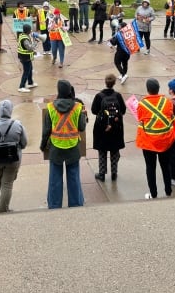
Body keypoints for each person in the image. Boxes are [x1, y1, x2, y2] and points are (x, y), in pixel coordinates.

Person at [40, 79, 86, 208]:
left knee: (55, 179)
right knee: (74, 178)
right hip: (73, 147)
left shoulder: (50, 107)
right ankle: (76, 204)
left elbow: (46, 130)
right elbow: (81, 127)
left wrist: (43, 145)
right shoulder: (77, 107)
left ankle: (54, 205)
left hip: (56, 147)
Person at [136, 78, 175, 200]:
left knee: (150, 168)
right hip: (165, 140)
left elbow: (140, 118)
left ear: (148, 90)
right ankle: (168, 192)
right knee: (165, 166)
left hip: (148, 141)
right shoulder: (167, 102)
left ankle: (153, 194)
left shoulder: (142, 104)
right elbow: (170, 115)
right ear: (158, 88)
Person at [0, 99, 28, 213]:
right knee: (7, 184)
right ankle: (3, 209)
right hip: (13, 159)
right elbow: (24, 143)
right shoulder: (17, 125)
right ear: (10, 110)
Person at [90, 74, 126, 182]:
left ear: (105, 82)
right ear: (114, 83)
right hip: (116, 128)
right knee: (114, 150)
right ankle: (114, 173)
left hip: (102, 128)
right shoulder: (118, 96)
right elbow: (123, 111)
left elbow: (94, 111)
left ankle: (102, 174)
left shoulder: (99, 96)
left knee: (102, 151)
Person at [17, 24, 39, 93]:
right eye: (30, 30)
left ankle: (30, 83)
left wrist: (33, 52)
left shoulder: (22, 35)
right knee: (26, 72)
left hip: (26, 57)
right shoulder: (24, 39)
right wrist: (36, 42)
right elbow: (29, 48)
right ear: (28, 31)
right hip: (25, 58)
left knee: (30, 69)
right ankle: (21, 86)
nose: (31, 31)